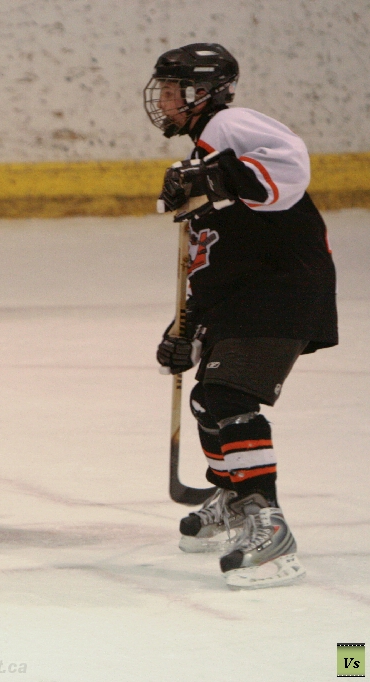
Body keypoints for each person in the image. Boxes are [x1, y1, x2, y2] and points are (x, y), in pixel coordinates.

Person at [145, 43, 338, 588]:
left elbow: (290, 162)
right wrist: (187, 324)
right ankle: (233, 496)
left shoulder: (230, 125)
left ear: (202, 92)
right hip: (244, 293)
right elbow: (210, 257)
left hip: (283, 286)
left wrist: (217, 177)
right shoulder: (200, 156)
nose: (163, 99)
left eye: (172, 89)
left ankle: (268, 525)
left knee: (229, 397)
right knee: (208, 399)